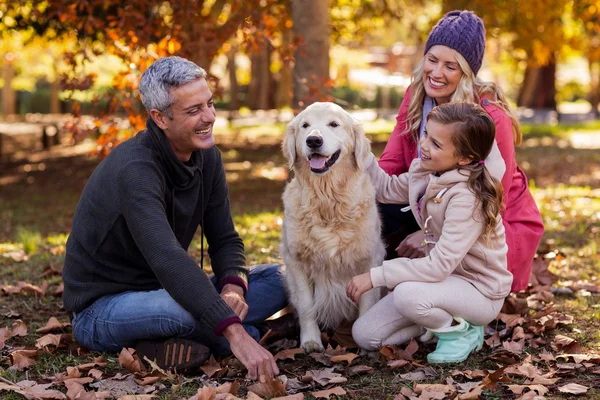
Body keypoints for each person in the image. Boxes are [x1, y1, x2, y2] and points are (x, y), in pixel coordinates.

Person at [62, 56, 287, 379]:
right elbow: (167, 257)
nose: (209, 117)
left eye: (209, 104)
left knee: (283, 278)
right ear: (160, 118)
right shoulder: (135, 170)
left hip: (168, 290)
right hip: (102, 309)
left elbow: (225, 239)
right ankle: (248, 336)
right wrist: (234, 333)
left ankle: (186, 342)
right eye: (194, 110)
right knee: (183, 311)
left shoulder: (207, 157)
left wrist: (233, 288)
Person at [377, 10, 543, 292]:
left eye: (450, 66)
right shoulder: (416, 96)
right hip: (430, 200)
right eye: (432, 60)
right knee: (374, 210)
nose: (436, 73)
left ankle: (458, 304)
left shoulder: (491, 119)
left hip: (485, 220)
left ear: (467, 72)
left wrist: (429, 235)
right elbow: (391, 163)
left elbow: (491, 199)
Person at [347, 101, 513, 363]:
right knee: (366, 336)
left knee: (405, 294)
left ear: (465, 158)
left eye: (436, 144)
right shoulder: (430, 172)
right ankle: (433, 320)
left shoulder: (468, 198)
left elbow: (437, 267)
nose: (424, 145)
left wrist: (376, 276)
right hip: (439, 285)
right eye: (426, 134)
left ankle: (462, 331)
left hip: (478, 291)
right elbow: (386, 189)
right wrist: (359, 147)